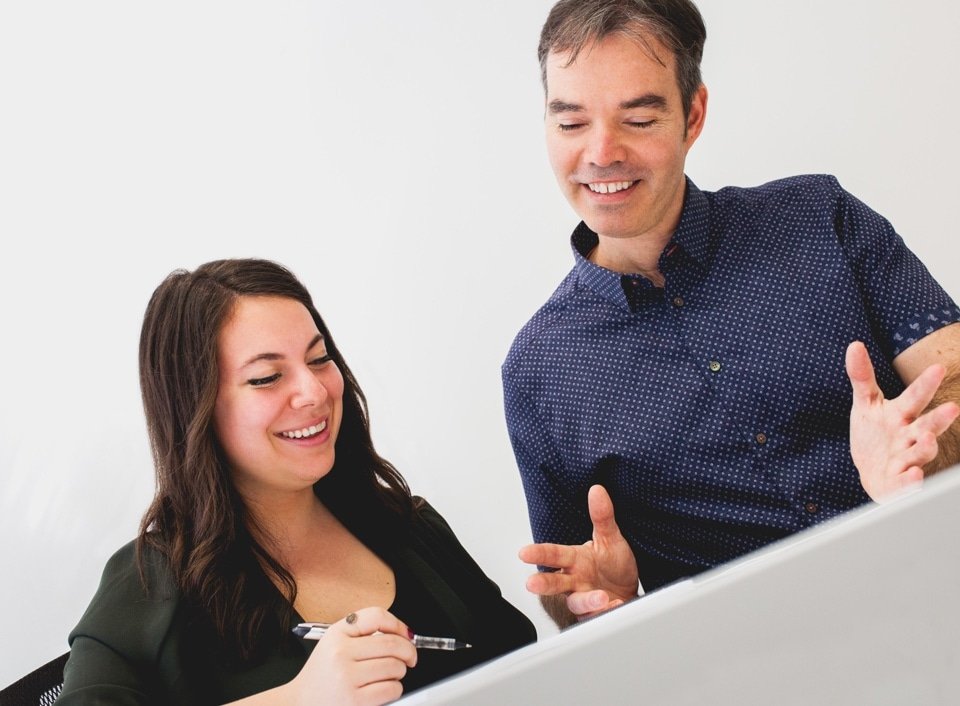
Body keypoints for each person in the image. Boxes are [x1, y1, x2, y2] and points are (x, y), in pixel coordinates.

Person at [503, 0, 960, 628]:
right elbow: (569, 582)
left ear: (692, 116)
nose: (601, 152)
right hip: (746, 662)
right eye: (571, 122)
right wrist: (601, 601)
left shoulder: (821, 217)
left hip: (936, 590)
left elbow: (952, 381)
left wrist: (920, 455)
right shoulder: (538, 371)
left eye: (639, 119)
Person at [58, 259, 535, 704]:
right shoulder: (149, 583)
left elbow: (529, 671)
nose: (313, 391)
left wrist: (579, 614)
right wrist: (298, 698)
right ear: (193, 407)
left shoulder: (409, 526)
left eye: (319, 358)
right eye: (267, 377)